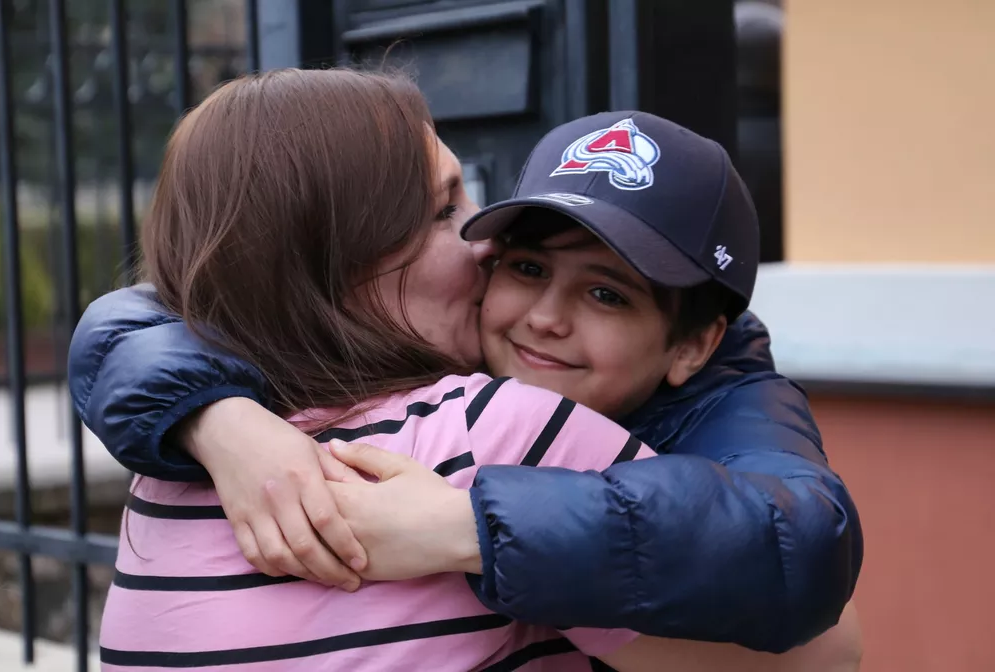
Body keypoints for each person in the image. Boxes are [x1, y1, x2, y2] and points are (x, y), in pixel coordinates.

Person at [72, 85, 863, 656]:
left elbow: (799, 544)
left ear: (694, 343)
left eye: (606, 292)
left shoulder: (166, 475)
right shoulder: (504, 425)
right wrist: (219, 419)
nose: (483, 254)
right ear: (341, 262)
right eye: (521, 262)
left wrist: (465, 529)